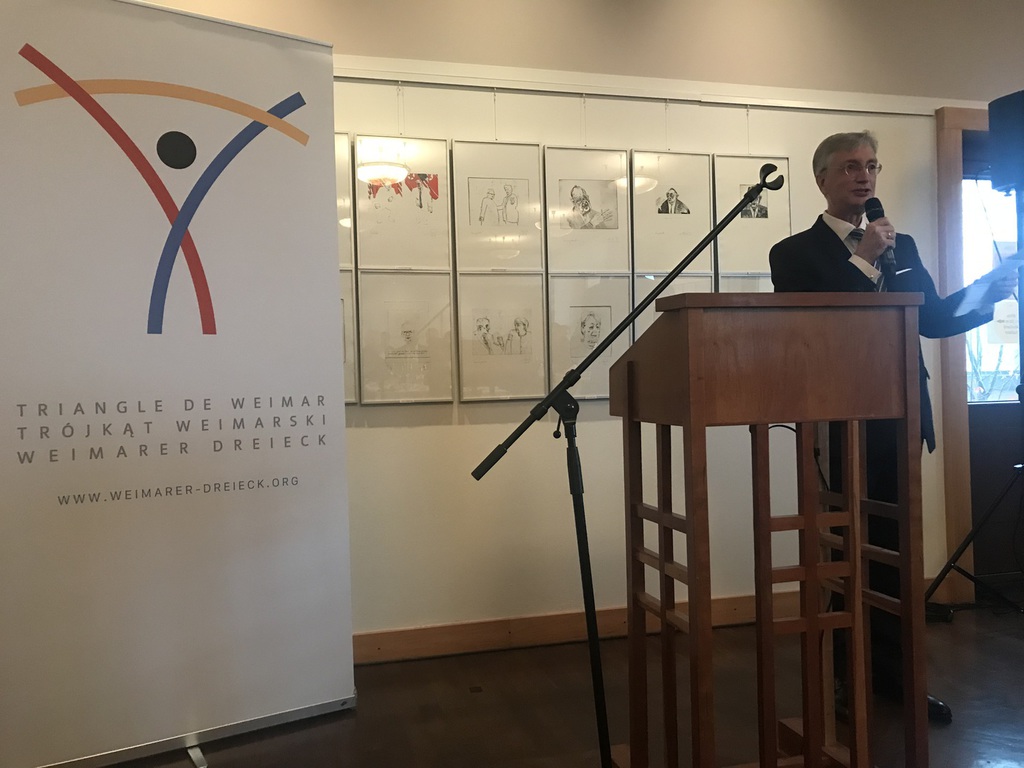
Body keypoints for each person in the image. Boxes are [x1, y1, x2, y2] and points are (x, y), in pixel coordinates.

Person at [769, 130, 1015, 726]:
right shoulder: (794, 253)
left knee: (895, 555)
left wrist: (985, 293)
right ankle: (845, 676)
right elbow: (819, 324)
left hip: (901, 414)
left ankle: (894, 677)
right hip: (839, 417)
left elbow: (930, 318)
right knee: (849, 553)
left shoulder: (900, 245)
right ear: (822, 178)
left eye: (872, 166)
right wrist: (862, 260)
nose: (865, 176)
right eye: (851, 166)